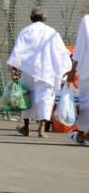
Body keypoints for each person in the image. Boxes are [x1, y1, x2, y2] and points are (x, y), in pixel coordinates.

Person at [8, 7, 72, 138]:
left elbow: (18, 51)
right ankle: (41, 128)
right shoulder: (52, 33)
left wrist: (14, 69)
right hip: (47, 71)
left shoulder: (25, 31)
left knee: (26, 98)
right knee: (46, 99)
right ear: (45, 19)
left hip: (28, 70)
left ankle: (26, 127)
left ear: (31, 18)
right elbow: (62, 52)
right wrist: (65, 68)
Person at [68, 11, 89, 144]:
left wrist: (72, 70)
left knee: (85, 101)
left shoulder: (86, 20)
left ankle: (81, 133)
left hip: (87, 68)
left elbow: (80, 48)